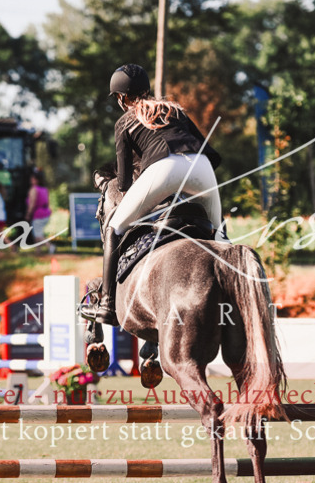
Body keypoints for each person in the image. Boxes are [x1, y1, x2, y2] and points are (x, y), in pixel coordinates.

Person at [93, 63, 223, 325]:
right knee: (220, 237)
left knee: (114, 228)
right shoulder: (176, 111)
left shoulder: (125, 121)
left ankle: (107, 303)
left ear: (122, 98)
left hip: (164, 169)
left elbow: (125, 183)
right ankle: (234, 297)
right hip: (203, 168)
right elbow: (213, 156)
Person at [24, 171, 52, 252]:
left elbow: (32, 204)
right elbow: (48, 202)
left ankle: (50, 246)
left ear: (36, 180)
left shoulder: (34, 189)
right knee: (37, 232)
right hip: (46, 213)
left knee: (37, 235)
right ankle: (38, 250)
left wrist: (28, 214)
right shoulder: (45, 189)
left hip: (38, 214)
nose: (31, 180)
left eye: (32, 179)